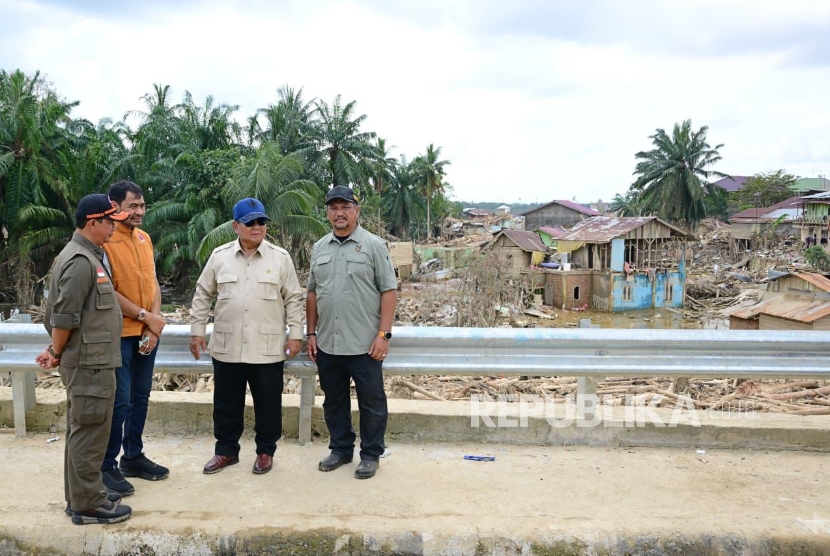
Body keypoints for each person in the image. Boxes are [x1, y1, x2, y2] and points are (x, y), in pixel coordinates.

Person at [35, 194, 133, 525]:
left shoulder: (90, 255)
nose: (113, 229)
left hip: (95, 361)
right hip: (89, 364)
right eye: (110, 223)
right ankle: (88, 505)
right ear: (93, 223)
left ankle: (81, 497)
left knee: (84, 430)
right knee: (90, 433)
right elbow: (63, 318)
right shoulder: (79, 261)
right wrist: (56, 351)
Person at [189, 198, 304, 475]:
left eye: (261, 221)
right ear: (235, 226)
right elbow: (203, 294)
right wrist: (196, 332)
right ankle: (226, 452)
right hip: (227, 345)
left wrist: (296, 334)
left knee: (268, 404)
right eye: (250, 222)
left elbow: (294, 299)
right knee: (226, 403)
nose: (257, 227)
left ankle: (265, 452)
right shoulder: (220, 256)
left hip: (267, 346)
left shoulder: (280, 258)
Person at [306, 185, 398, 480]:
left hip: (364, 344)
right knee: (334, 401)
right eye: (333, 208)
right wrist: (311, 334)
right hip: (328, 343)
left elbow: (389, 290)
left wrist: (383, 335)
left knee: (371, 402)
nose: (339, 213)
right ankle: (341, 449)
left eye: (345, 207)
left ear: (357, 211)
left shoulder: (373, 245)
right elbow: (311, 293)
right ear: (328, 213)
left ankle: (370, 454)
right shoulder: (319, 247)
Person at [99, 181, 169, 497]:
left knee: (141, 397)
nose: (139, 212)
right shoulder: (105, 241)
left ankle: (133, 456)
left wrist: (153, 325)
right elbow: (108, 291)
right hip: (120, 333)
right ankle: (107, 466)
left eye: (142, 206)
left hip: (145, 332)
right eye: (133, 206)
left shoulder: (144, 238)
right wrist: (145, 317)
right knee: (120, 401)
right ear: (114, 206)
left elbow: (152, 280)